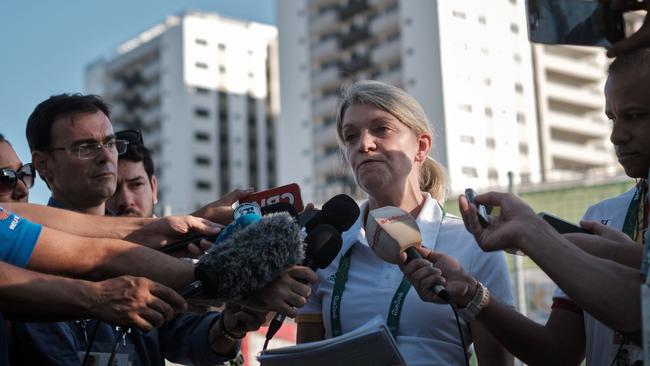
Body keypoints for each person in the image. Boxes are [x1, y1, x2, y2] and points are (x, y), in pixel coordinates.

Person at [12, 93, 315, 366]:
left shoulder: (157, 246)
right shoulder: (20, 246)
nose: (106, 156)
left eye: (109, 143)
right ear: (43, 164)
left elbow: (181, 336)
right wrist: (243, 283)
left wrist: (227, 326)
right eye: (85, 147)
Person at [401, 48, 650, 366]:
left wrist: (536, 237)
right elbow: (557, 354)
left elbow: (636, 310)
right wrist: (472, 295)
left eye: (635, 116)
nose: (617, 135)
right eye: (612, 118)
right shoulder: (602, 217)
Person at [295, 80, 514, 365]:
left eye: (381, 129)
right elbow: (304, 357)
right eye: (351, 136)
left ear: (421, 147)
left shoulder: (473, 242)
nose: (364, 144)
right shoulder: (324, 248)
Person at [106, 129, 157, 218]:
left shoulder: (182, 231)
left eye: (137, 184)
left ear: (153, 189)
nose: (126, 201)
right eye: (113, 189)